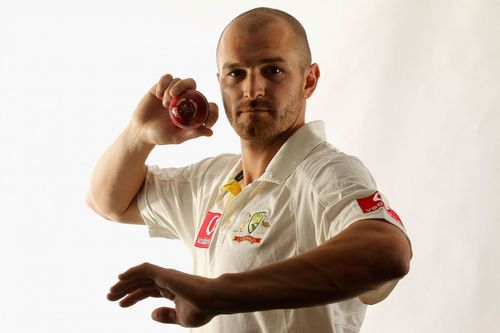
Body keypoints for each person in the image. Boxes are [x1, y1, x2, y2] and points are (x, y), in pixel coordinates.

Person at [87, 7, 412, 333]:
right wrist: (137, 135)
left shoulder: (325, 172)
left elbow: (387, 253)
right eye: (236, 74)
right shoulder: (212, 181)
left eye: (272, 70)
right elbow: (109, 202)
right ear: (220, 83)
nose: (252, 89)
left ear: (308, 80)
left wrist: (217, 293)